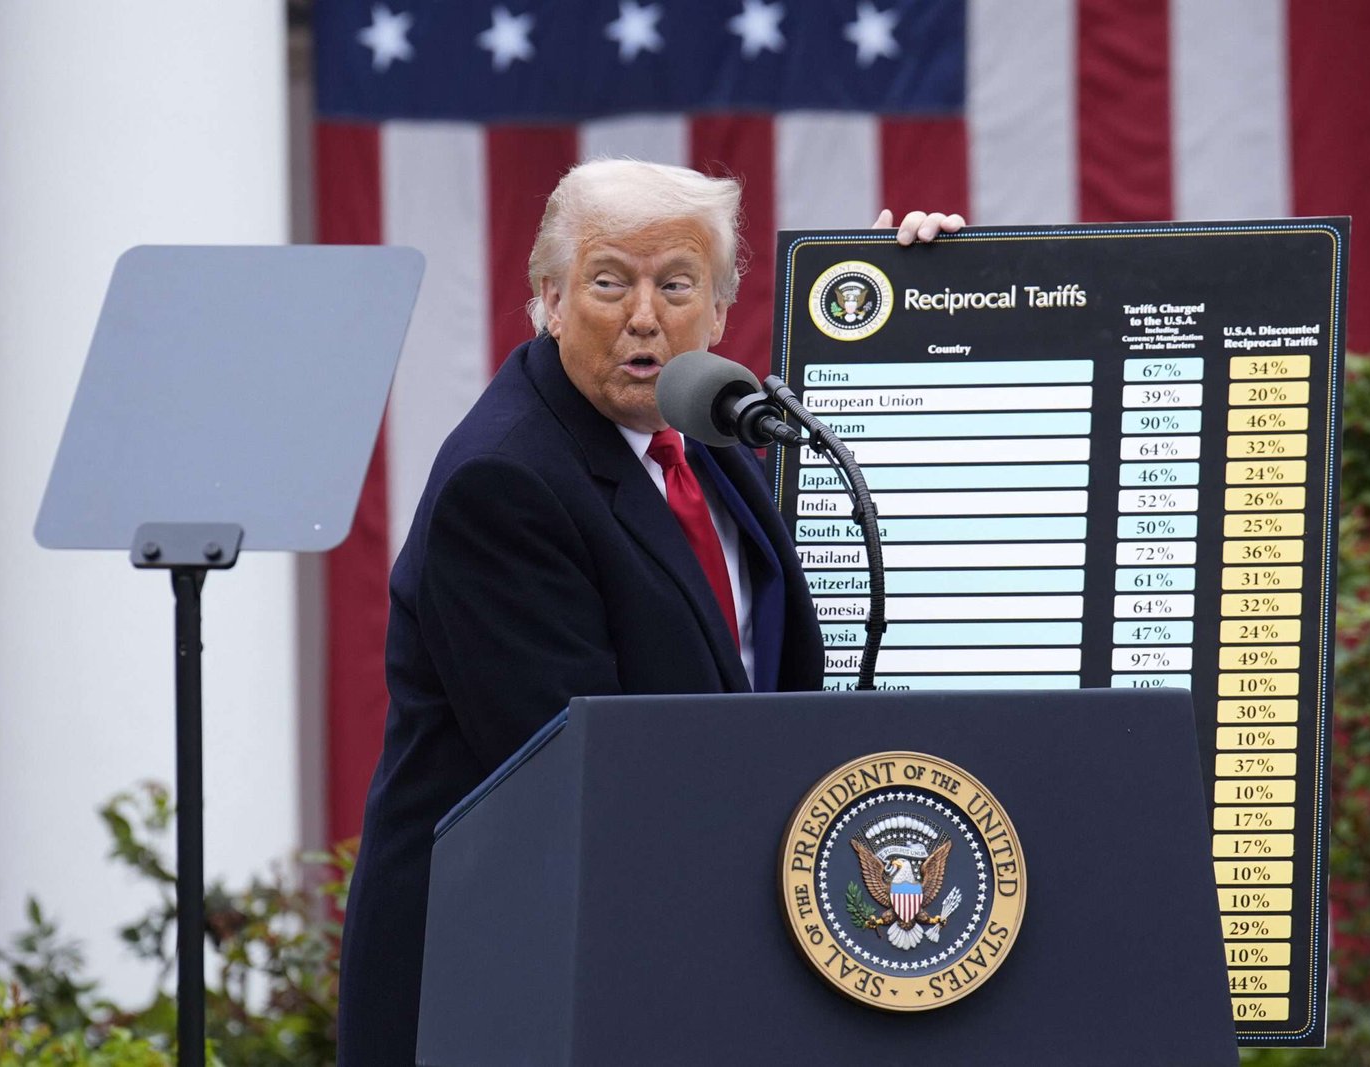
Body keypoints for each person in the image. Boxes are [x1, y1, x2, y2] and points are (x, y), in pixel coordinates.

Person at [335, 158, 963, 1063]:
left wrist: (919, 303)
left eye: (675, 285)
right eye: (607, 282)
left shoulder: (698, 426)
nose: (643, 316)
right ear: (550, 300)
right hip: (521, 987)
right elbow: (592, 783)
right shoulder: (504, 484)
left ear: (718, 310)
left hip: (665, 952)